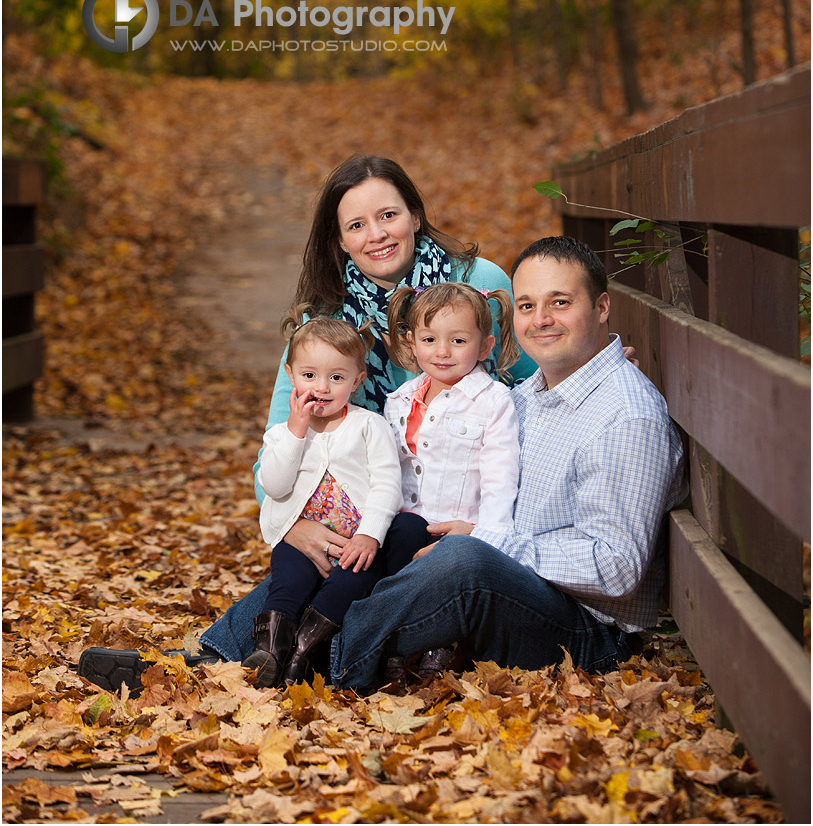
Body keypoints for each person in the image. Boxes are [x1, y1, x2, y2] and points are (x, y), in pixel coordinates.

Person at [78, 155, 538, 693]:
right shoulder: (323, 322)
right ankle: (215, 663)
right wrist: (296, 524)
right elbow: (276, 447)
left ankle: (214, 665)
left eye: (388, 215)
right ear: (340, 240)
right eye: (356, 226)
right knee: (315, 565)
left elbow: (528, 382)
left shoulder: (477, 284)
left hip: (458, 504)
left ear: (415, 214)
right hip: (368, 506)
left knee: (362, 569)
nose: (377, 235)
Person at [329, 235, 686, 691]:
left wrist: (491, 542)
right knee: (377, 534)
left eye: (560, 302)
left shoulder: (626, 417)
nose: (542, 320)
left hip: (587, 632)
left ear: (601, 307)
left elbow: (616, 567)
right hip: (523, 593)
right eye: (528, 305)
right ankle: (248, 641)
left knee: (465, 558)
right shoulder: (530, 396)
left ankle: (329, 655)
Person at [243, 312, 402, 688]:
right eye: (309, 375)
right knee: (288, 576)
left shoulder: (368, 426)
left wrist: (370, 534)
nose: (322, 387)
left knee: (351, 584)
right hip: (302, 538)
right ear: (290, 375)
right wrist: (296, 434)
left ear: (357, 381)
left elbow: (387, 484)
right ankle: (270, 649)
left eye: (336, 377)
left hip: (354, 543)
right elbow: (275, 486)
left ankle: (305, 650)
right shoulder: (283, 434)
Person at [381, 280, 522, 678]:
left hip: (457, 530)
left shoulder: (493, 403)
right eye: (429, 338)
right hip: (406, 525)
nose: (442, 352)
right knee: (396, 560)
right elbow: (390, 471)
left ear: (485, 347)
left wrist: (484, 537)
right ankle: (392, 641)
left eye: (458, 340)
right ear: (411, 342)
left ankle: (443, 642)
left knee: (444, 585)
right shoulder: (399, 401)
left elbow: (500, 478)